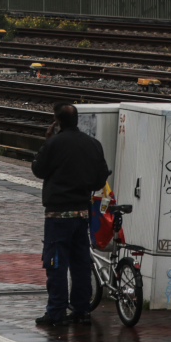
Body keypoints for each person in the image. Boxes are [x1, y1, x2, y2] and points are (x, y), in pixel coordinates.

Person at [30, 102, 110, 326]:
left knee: (56, 263)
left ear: (57, 122)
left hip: (57, 214)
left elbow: (38, 170)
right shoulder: (93, 144)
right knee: (80, 263)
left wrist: (47, 142)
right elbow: (100, 178)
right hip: (82, 213)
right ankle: (82, 310)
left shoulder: (53, 144)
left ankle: (56, 312)